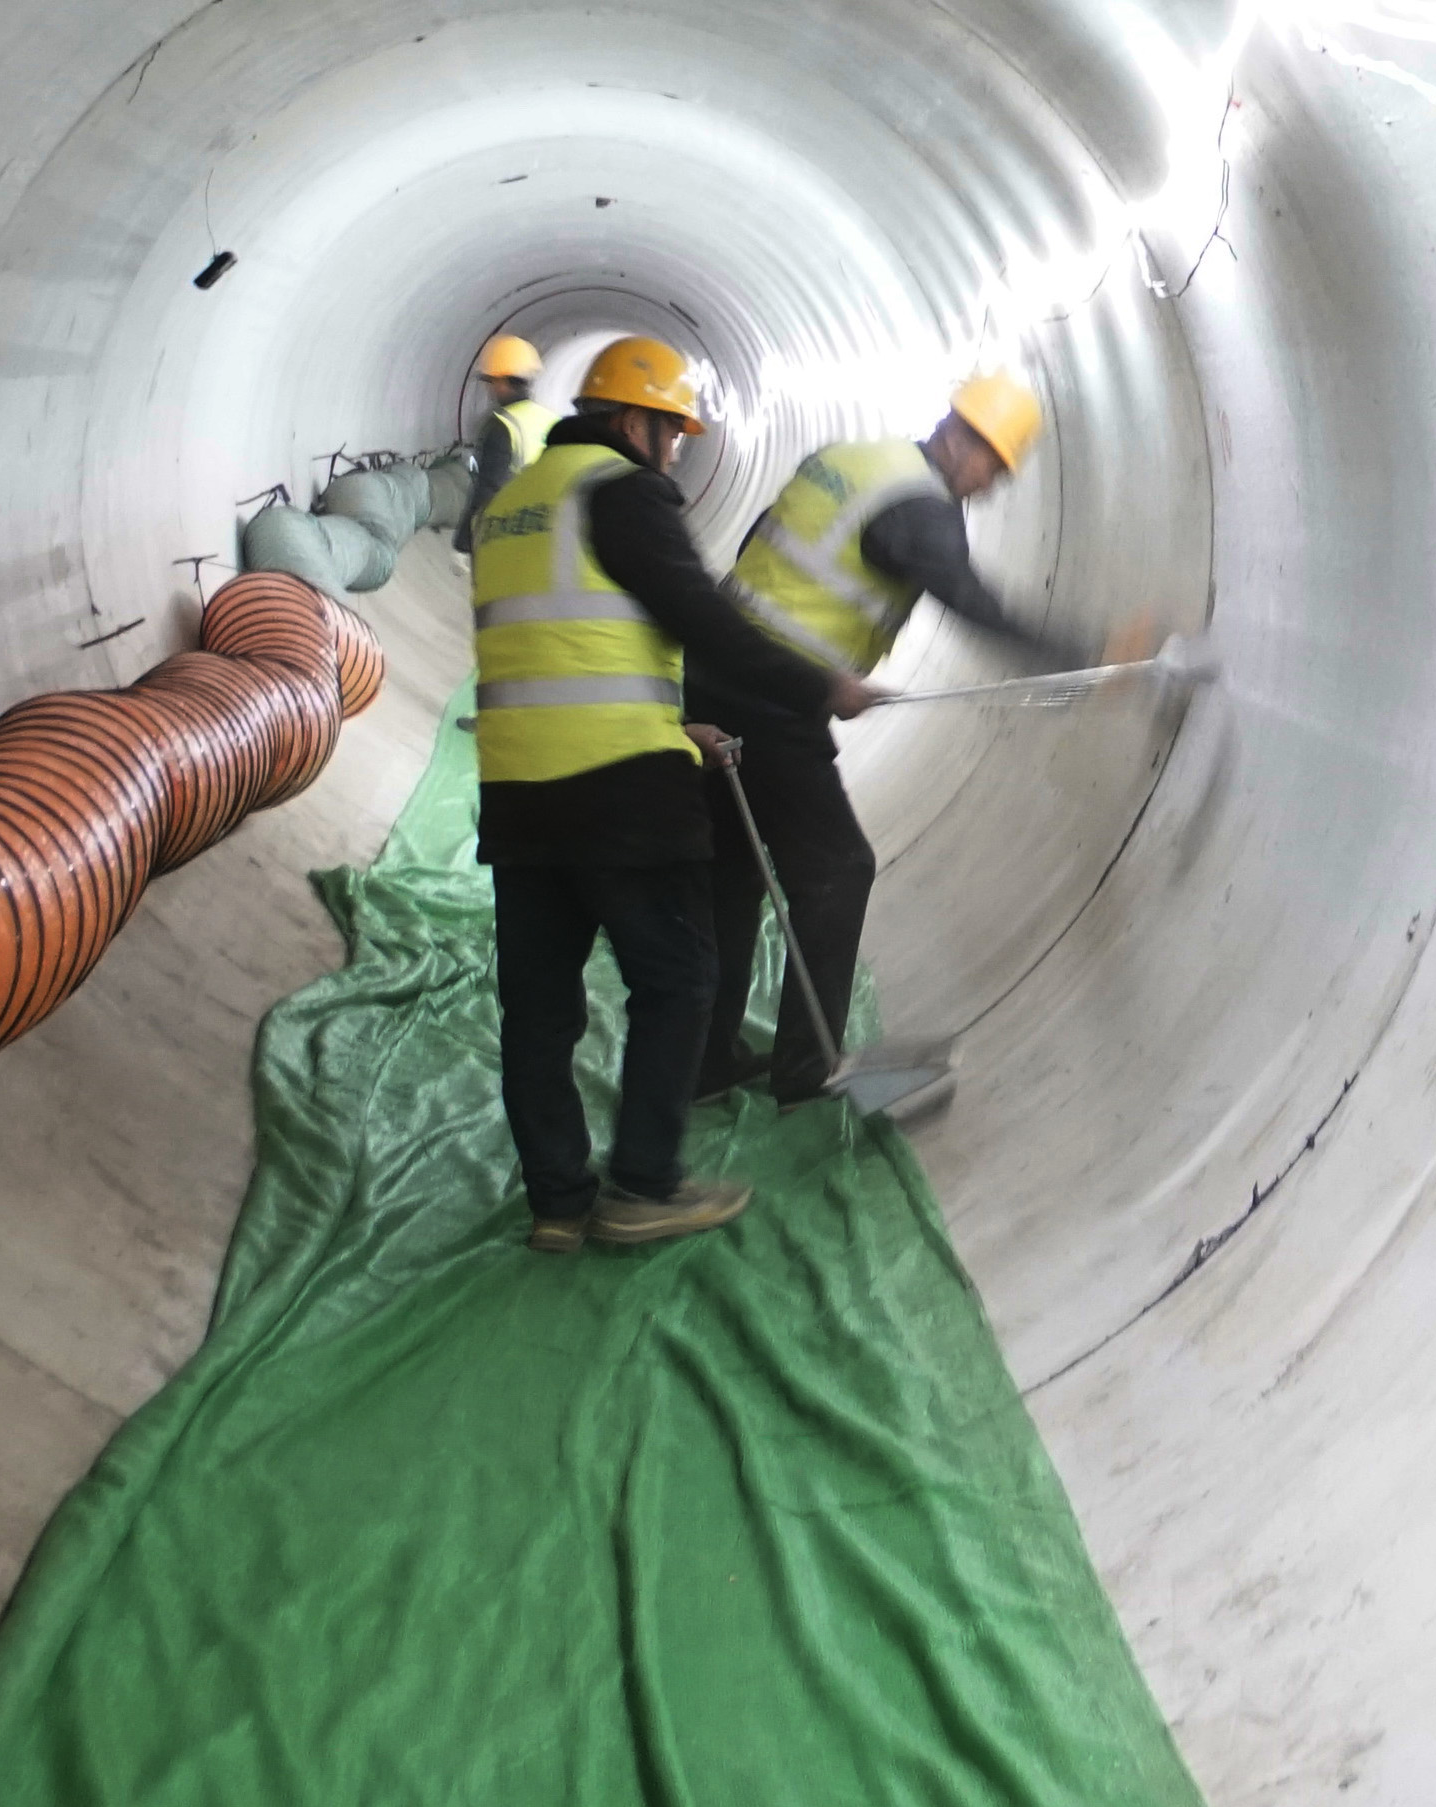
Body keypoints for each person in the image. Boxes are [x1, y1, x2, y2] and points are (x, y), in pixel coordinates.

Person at [474, 334, 884, 1251]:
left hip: (515, 789)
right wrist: (821, 687)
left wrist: (676, 721)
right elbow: (705, 618)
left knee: (538, 1012)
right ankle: (644, 1186)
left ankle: (558, 1203)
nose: (674, 455)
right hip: (618, 789)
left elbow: (557, 642)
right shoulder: (621, 492)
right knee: (679, 980)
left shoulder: (512, 506)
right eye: (672, 434)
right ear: (635, 423)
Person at [687, 373, 1150, 1102]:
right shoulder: (922, 510)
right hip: (771, 701)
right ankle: (807, 1070)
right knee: (838, 869)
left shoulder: (853, 461)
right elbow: (970, 600)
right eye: (994, 467)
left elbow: (760, 543)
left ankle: (706, 1062)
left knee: (733, 874)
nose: (990, 487)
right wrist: (1088, 658)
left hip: (713, 673)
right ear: (963, 439)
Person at [459, 333, 547, 504]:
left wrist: (472, 519)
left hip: (515, 515)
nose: (490, 389)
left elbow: (488, 490)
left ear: (503, 381)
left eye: (492, 381)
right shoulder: (551, 419)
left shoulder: (502, 425)